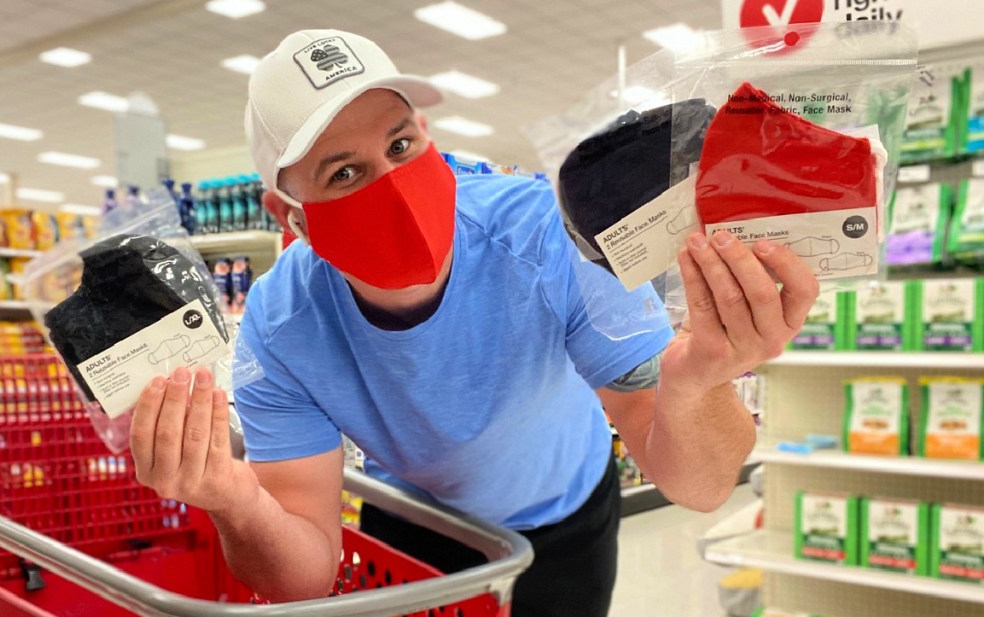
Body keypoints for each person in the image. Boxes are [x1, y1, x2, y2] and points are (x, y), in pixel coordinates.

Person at [129, 29, 818, 616]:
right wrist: (230, 498)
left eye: (400, 147)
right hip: (416, 526)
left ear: (426, 135)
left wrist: (699, 381)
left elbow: (699, 486)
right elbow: (302, 573)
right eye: (344, 173)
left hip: (566, 515)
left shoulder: (549, 235)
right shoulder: (282, 326)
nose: (390, 185)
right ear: (289, 216)